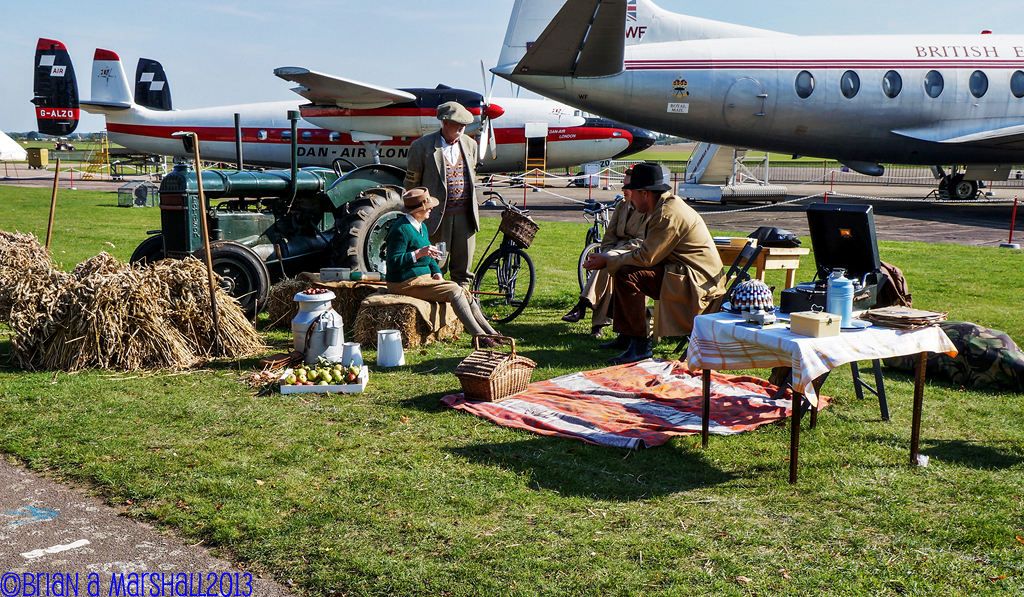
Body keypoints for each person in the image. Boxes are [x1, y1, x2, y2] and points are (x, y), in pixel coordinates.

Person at [583, 162, 725, 364]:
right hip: (682, 272)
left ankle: (640, 345)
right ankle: (629, 337)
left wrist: (608, 260)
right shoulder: (662, 207)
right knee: (626, 271)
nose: (629, 198)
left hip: (698, 282)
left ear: (644, 193)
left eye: (632, 192)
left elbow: (646, 257)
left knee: (628, 275)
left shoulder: (667, 214)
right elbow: (647, 253)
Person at [385, 187, 499, 346]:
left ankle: (492, 333)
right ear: (419, 209)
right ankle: (479, 337)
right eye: (429, 206)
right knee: (454, 290)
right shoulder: (400, 229)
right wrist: (418, 254)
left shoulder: (421, 226)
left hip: (421, 278)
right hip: (404, 283)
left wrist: (437, 272)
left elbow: (429, 256)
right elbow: (392, 262)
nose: (432, 209)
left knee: (463, 291)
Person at [562, 167, 650, 337]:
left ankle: (584, 305)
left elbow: (640, 242)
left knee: (606, 265)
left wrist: (610, 255)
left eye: (628, 187)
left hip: (634, 254)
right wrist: (608, 251)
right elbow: (609, 235)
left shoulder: (647, 210)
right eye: (623, 186)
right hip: (617, 250)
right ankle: (594, 323)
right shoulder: (622, 206)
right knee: (606, 269)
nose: (623, 190)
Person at [403, 101, 480, 288]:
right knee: (435, 267)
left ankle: (462, 308)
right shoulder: (421, 147)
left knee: (463, 271)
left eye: (464, 125)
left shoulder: (470, 145)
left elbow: (472, 175)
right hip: (436, 219)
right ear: (445, 123)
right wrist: (414, 216)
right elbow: (411, 185)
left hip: (465, 217)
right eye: (458, 124)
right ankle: (437, 307)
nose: (462, 128)